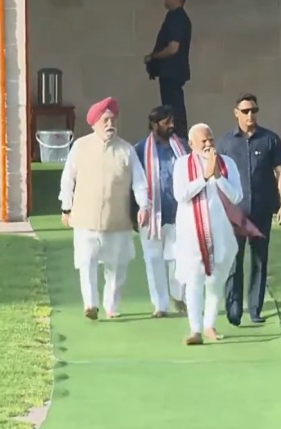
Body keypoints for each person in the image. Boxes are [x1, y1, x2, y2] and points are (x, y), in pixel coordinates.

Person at [59, 97, 151, 321]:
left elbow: (139, 181)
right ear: (94, 124)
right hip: (85, 218)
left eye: (112, 120)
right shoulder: (80, 146)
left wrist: (144, 206)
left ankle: (111, 306)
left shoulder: (126, 150)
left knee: (117, 267)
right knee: (86, 263)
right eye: (105, 120)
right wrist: (66, 208)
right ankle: (90, 304)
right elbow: (68, 178)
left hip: (117, 220)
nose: (110, 124)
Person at [215, 93, 281, 325]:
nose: (250, 115)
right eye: (245, 111)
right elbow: (216, 177)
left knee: (259, 260)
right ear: (236, 113)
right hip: (235, 213)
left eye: (254, 110)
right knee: (233, 260)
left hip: (261, 209)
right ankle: (234, 308)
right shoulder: (226, 143)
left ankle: (255, 309)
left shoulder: (270, 139)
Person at [173, 123, 243, 345]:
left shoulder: (227, 163)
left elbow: (237, 196)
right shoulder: (182, 164)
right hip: (192, 235)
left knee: (216, 282)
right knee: (194, 281)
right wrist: (203, 177)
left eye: (210, 139)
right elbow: (181, 195)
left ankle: (210, 324)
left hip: (221, 233)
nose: (208, 144)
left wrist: (217, 176)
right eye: (203, 141)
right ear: (192, 144)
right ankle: (195, 330)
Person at [134, 106, 190, 318]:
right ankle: (160, 305)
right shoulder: (140, 149)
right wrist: (136, 212)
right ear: (154, 124)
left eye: (172, 121)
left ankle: (179, 297)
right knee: (153, 259)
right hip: (150, 215)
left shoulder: (182, 147)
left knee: (178, 258)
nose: (171, 125)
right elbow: (133, 183)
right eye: (166, 122)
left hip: (178, 213)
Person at [144, 0, 192, 139]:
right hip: (171, 73)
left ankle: (178, 139)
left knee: (173, 112)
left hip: (172, 72)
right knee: (172, 109)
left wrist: (152, 57)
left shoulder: (177, 17)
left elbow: (173, 48)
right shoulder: (176, 17)